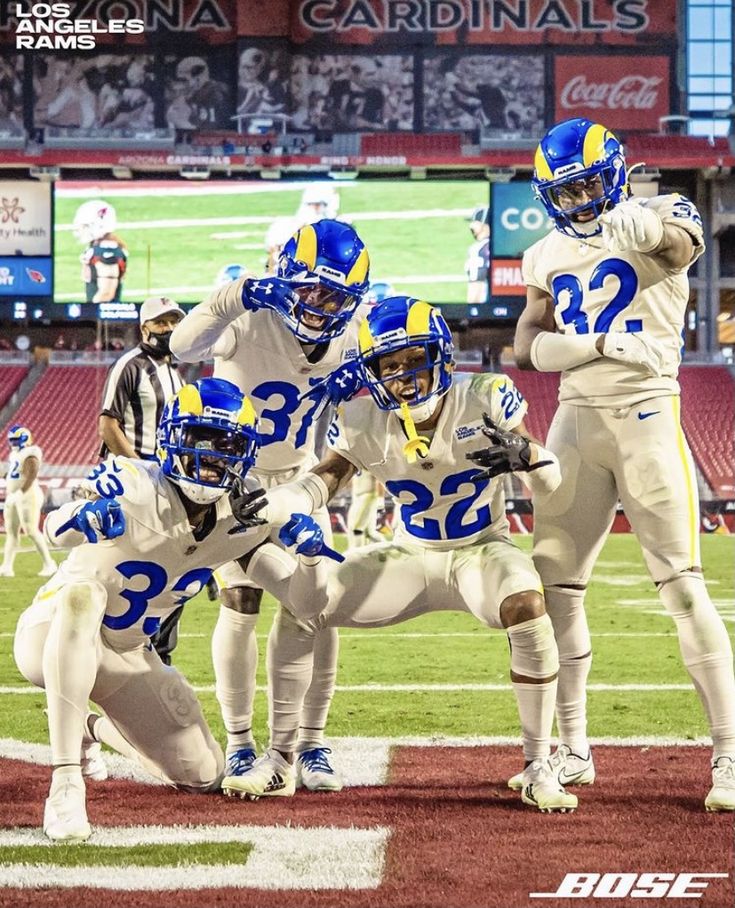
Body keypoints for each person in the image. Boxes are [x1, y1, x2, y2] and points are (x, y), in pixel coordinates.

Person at [229, 296, 576, 812]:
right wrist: (273, 503)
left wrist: (527, 456)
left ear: (439, 356)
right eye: (389, 366)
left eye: (414, 359)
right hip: (411, 555)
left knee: (527, 605)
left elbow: (554, 486)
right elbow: (325, 480)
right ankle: (281, 760)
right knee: (305, 605)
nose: (404, 375)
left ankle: (538, 762)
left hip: (480, 550)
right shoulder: (364, 416)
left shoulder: (485, 395)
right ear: (373, 373)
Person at [513, 116, 735, 811]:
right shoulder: (544, 252)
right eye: (564, 190)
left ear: (610, 173)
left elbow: (674, 249)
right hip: (575, 415)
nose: (578, 201)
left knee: (679, 582)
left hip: (645, 410)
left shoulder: (661, 212)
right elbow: (526, 342)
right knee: (556, 591)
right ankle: (573, 749)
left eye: (586, 185)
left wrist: (636, 224)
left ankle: (728, 754)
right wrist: (591, 346)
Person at [12, 377, 325, 842]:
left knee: (202, 775)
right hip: (50, 633)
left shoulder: (246, 516)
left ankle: (88, 727)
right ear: (172, 439)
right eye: (200, 439)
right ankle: (65, 782)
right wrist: (82, 518)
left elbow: (308, 604)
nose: (212, 455)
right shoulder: (132, 482)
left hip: (130, 655)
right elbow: (57, 526)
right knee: (82, 594)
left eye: (226, 444)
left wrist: (312, 558)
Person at [170, 219, 371, 796]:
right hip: (238, 478)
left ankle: (312, 740)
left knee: (319, 604)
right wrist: (235, 294)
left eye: (333, 295)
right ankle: (239, 744)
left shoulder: (352, 333)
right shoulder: (249, 316)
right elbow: (185, 345)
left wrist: (364, 378)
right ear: (283, 279)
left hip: (305, 481)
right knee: (240, 600)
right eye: (308, 289)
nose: (318, 304)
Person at [98, 296, 186, 663]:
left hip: (166, 482)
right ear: (144, 327)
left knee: (174, 570)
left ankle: (158, 655)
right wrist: (140, 470)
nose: (168, 329)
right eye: (160, 322)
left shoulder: (176, 373)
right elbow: (108, 425)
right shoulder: (129, 366)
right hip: (135, 481)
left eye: (173, 322)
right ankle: (116, 652)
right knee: (124, 570)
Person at [1, 425, 57, 578]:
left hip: (27, 494)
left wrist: (20, 491)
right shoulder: (15, 454)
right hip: (13, 495)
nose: (13, 443)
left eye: (16, 439)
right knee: (11, 532)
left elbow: (31, 473)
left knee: (30, 530)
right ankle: (6, 566)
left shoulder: (31, 452)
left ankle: (49, 563)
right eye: (11, 440)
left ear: (25, 438)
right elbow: (14, 474)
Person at [73, 200, 127, 304]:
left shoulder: (106, 251)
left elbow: (106, 293)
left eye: (85, 226)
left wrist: (90, 312)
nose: (81, 230)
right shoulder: (98, 248)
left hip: (104, 316)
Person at [465, 205, 491, 304]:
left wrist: (469, 317)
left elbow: (476, 285)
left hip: (484, 312)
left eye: (474, 222)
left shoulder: (478, 250)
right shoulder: (502, 246)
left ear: (483, 223)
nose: (470, 226)